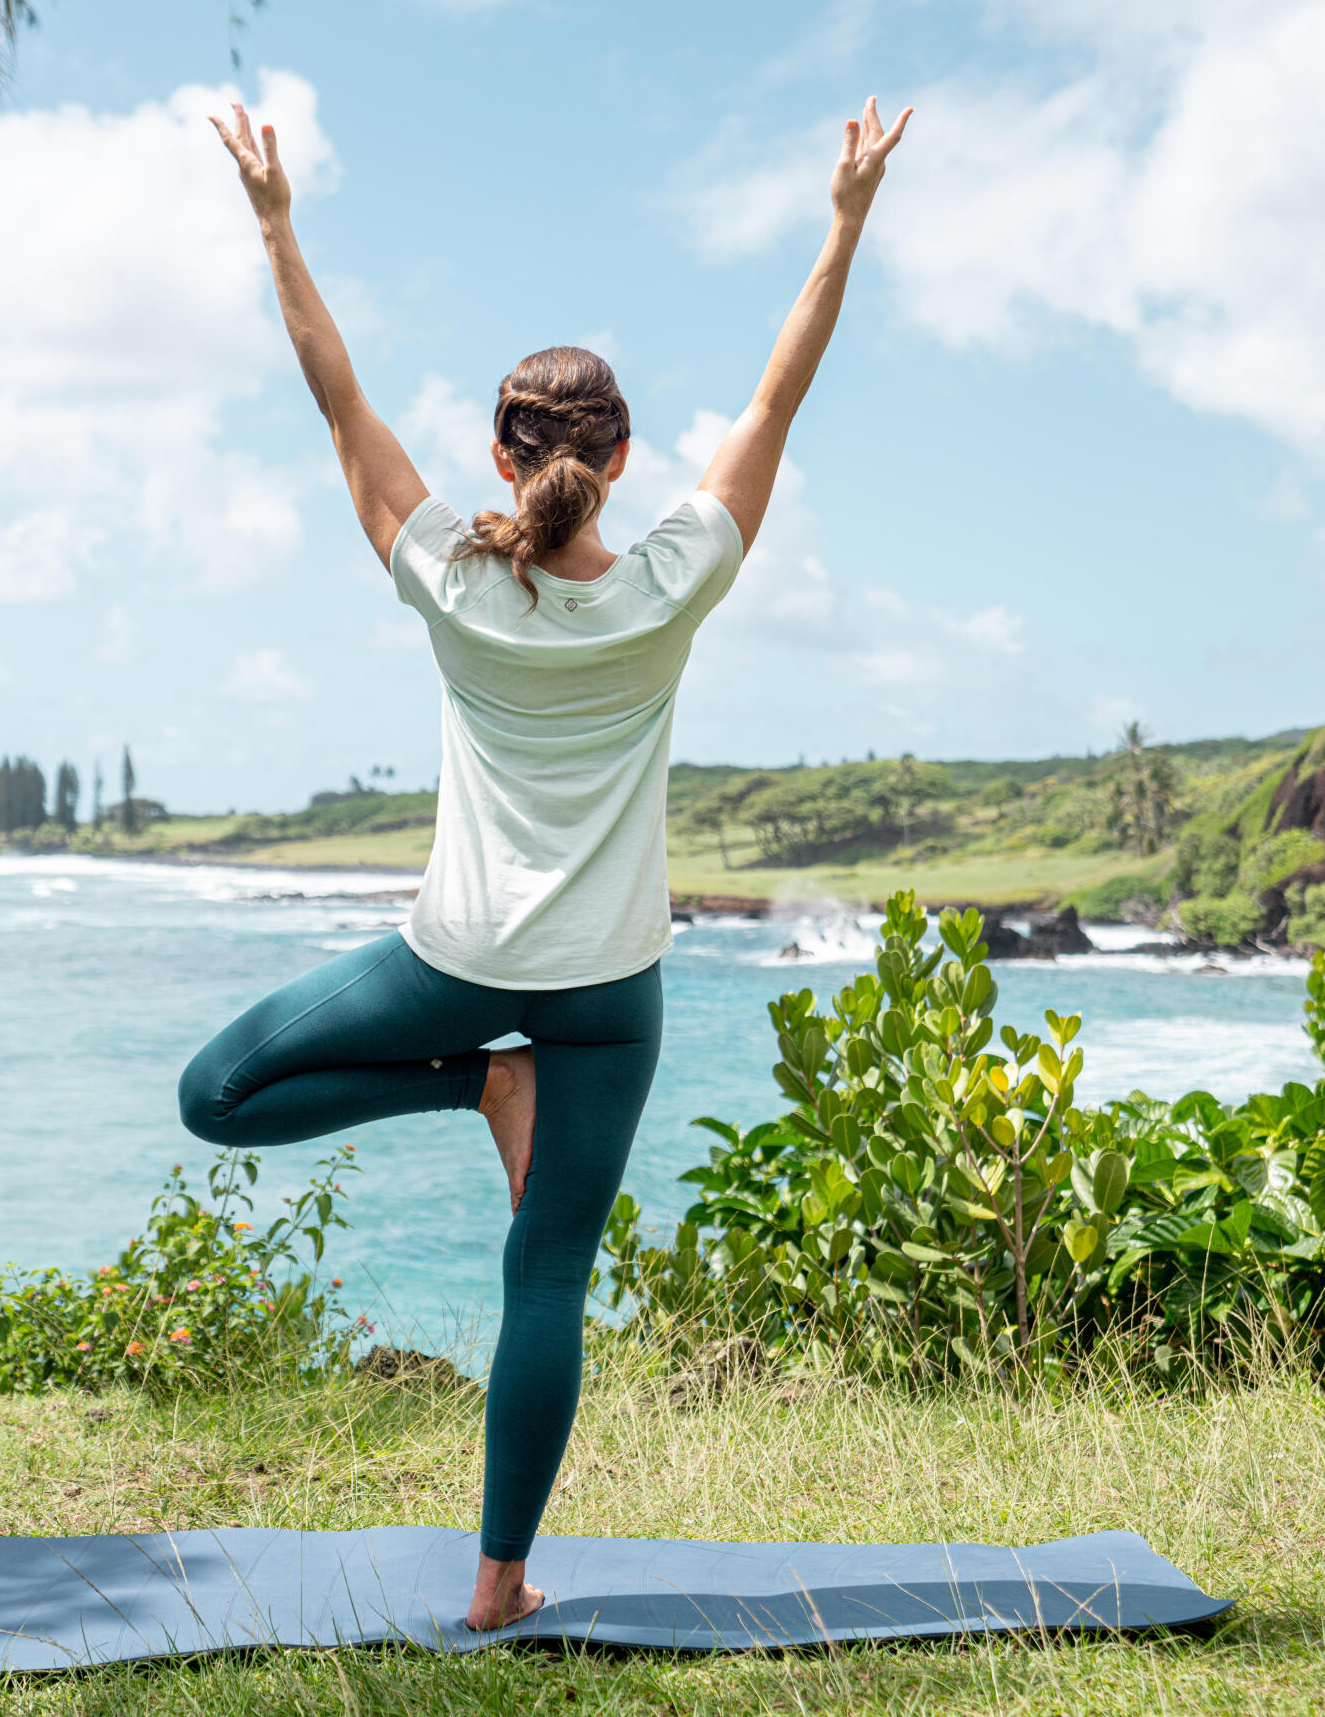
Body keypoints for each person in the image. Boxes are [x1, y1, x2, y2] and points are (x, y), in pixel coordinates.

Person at [182, 93, 912, 1631]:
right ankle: (498, 1585)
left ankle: (469, 1082)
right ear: (623, 458)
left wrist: (276, 225)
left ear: (501, 457)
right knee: (546, 1281)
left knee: (217, 1097)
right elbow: (781, 399)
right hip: (609, 998)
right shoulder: (670, 586)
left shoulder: (453, 580)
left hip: (454, 963)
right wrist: (843, 222)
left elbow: (337, 404)